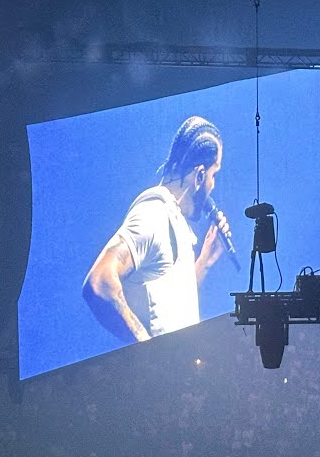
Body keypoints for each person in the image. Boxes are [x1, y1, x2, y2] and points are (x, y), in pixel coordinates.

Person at [82, 115, 233, 341]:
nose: (213, 185)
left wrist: (205, 262)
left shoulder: (173, 219)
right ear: (200, 175)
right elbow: (99, 282)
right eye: (214, 175)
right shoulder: (155, 214)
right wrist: (149, 349)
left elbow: (172, 308)